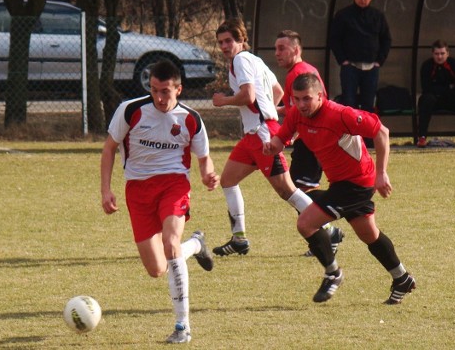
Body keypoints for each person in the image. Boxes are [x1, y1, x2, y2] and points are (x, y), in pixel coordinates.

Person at [263, 72, 415, 305]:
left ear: (321, 96)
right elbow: (281, 139)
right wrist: (271, 146)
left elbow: (381, 132)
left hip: (357, 182)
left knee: (306, 222)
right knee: (369, 234)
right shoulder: (296, 114)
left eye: (307, 99)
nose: (302, 104)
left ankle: (333, 273)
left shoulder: (340, 114)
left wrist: (382, 173)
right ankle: (402, 278)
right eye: (297, 99)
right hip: (340, 182)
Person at [100, 59, 220, 344]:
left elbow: (203, 158)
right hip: (138, 192)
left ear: (178, 89)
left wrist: (208, 175)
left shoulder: (190, 119)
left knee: (170, 242)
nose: (159, 97)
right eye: (154, 90)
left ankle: (182, 326)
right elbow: (109, 149)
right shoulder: (131, 110)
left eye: (165, 91)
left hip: (173, 185)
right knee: (157, 269)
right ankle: (196, 244)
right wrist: (106, 190)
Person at [211, 18, 321, 256]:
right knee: (228, 180)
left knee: (287, 190)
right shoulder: (255, 60)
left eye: (229, 40)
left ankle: (327, 230)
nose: (224, 46)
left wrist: (224, 101)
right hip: (254, 133)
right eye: (220, 42)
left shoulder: (240, 60)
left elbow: (248, 96)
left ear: (241, 40)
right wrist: (269, 109)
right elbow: (277, 91)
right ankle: (239, 238)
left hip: (261, 134)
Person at [274, 29, 344, 255]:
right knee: (301, 188)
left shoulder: (298, 73)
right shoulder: (301, 71)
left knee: (296, 189)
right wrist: (272, 111)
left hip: (311, 137)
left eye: (282, 48)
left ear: (296, 49)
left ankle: (334, 221)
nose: (277, 53)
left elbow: (308, 109)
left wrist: (291, 132)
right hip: (311, 135)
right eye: (276, 49)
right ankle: (324, 234)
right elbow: (295, 108)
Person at [329, 0, 392, 114]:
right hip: (350, 66)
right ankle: (350, 134)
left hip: (371, 67)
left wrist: (379, 61)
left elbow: (386, 39)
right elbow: (334, 39)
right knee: (349, 103)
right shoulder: (343, 15)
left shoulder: (377, 16)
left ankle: (367, 134)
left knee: (368, 104)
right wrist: (343, 60)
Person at [417, 39, 455, 148]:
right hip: (434, 100)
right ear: (432, 54)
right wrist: (448, 87)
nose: (439, 57)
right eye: (437, 54)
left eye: (442, 53)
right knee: (426, 99)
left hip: (451, 100)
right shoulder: (427, 66)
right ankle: (421, 137)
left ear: (448, 53)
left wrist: (442, 89)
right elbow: (426, 88)